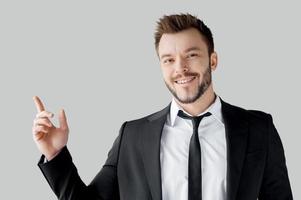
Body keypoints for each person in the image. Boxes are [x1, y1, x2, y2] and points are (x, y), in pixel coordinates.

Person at [32, 13, 293, 200]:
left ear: (213, 60)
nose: (180, 68)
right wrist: (56, 155)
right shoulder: (132, 137)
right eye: (168, 60)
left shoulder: (259, 129)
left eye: (191, 55)